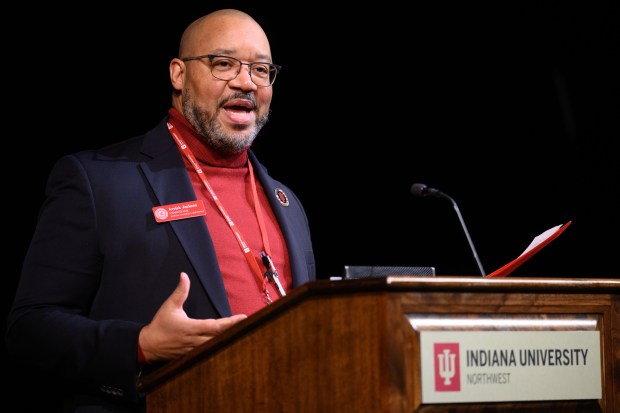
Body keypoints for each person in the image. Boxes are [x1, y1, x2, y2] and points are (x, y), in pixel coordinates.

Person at [6, 8, 315, 413]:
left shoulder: (287, 203)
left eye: (261, 69)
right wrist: (139, 345)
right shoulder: (98, 181)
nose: (245, 82)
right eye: (223, 64)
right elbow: (30, 329)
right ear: (178, 75)